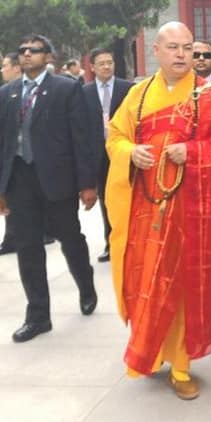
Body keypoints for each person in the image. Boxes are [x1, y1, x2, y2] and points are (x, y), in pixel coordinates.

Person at [105, 21, 211, 401]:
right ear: (156, 50)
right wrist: (129, 153)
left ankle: (181, 365)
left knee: (182, 288)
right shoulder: (138, 95)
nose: (182, 54)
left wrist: (194, 152)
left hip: (191, 212)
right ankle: (148, 353)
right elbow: (115, 137)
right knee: (144, 282)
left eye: (188, 48)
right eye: (174, 47)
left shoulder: (208, 95)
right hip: (145, 208)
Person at [0, 34, 99, 343]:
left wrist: (87, 184)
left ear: (48, 57)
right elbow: (3, 143)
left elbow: (81, 138)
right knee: (28, 248)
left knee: (70, 239)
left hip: (57, 180)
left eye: (34, 51)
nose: (26, 55)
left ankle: (86, 283)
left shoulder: (66, 89)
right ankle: (38, 315)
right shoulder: (7, 93)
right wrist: (1, 187)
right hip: (20, 181)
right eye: (22, 50)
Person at [0, 52, 55, 256]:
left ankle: (44, 232)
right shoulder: (5, 93)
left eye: (5, 66)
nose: (2, 70)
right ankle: (12, 238)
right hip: (15, 161)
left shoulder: (40, 90)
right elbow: (3, 136)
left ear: (17, 68)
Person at [82, 47, 132, 263]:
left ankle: (130, 241)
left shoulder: (128, 88)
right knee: (106, 200)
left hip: (123, 151)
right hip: (99, 154)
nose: (106, 66)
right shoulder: (84, 92)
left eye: (109, 62)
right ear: (92, 67)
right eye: (101, 63)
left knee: (128, 197)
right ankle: (111, 242)